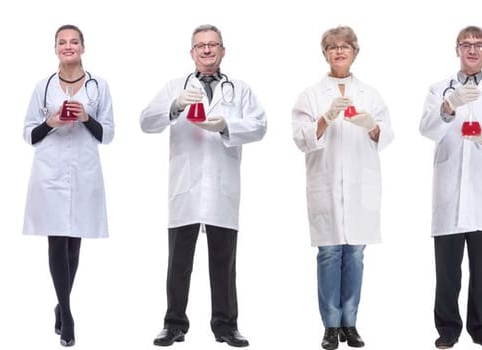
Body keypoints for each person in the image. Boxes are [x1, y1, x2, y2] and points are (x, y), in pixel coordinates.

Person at [139, 24, 267, 349]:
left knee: (224, 264)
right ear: (192, 52)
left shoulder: (239, 90)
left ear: (223, 51)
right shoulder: (174, 87)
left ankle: (226, 326)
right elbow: (146, 121)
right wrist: (175, 106)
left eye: (213, 45)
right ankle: (174, 324)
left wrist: (226, 125)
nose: (207, 50)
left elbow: (260, 125)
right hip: (186, 189)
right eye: (200, 46)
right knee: (178, 264)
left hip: (222, 190)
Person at [419, 25, 482, 350]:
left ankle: (481, 328)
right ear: (457, 50)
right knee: (446, 271)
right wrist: (448, 108)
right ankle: (448, 329)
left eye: (479, 45)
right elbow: (426, 128)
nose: (473, 50)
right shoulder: (440, 89)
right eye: (467, 44)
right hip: (449, 192)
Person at [291, 25, 394, 350]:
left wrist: (371, 126)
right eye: (332, 47)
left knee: (355, 256)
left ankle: (350, 323)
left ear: (354, 52)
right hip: (326, 187)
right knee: (329, 254)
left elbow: (387, 135)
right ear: (325, 54)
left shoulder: (370, 94)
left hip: (360, 188)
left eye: (344, 47)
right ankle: (330, 326)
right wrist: (324, 118)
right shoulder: (311, 94)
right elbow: (300, 137)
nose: (339, 52)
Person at [22, 24, 114, 348]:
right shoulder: (43, 86)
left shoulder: (98, 86)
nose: (68, 46)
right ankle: (69, 315)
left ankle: (61, 304)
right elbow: (29, 134)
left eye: (74, 41)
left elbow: (108, 134)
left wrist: (86, 117)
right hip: (50, 172)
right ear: (56, 49)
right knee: (56, 239)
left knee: (74, 243)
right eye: (62, 42)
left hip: (84, 172)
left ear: (83, 47)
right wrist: (51, 122)